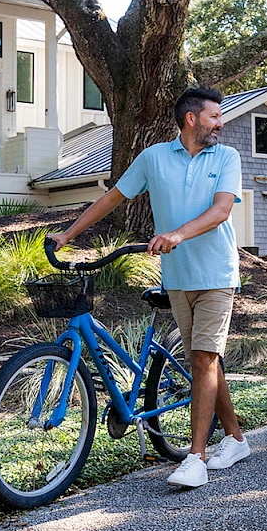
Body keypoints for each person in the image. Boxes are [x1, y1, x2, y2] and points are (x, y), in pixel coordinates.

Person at [48, 86, 249, 487]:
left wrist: (177, 234)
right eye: (214, 116)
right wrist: (68, 235)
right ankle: (236, 438)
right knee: (201, 359)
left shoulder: (226, 157)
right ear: (192, 118)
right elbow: (111, 200)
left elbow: (221, 210)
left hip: (215, 273)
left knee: (204, 359)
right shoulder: (153, 157)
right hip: (177, 276)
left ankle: (196, 457)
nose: (220, 123)